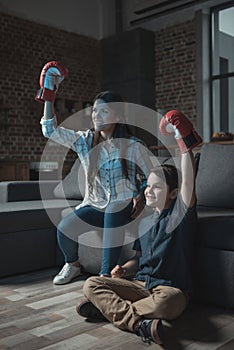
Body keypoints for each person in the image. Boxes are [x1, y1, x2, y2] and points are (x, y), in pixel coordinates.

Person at [76, 110, 202, 345]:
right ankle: (138, 323)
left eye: (157, 188)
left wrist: (185, 145)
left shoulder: (180, 216)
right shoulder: (144, 222)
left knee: (166, 305)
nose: (148, 191)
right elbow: (139, 259)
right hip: (140, 285)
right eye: (148, 187)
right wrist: (124, 269)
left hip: (170, 290)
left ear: (173, 194)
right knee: (92, 283)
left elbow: (187, 183)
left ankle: (109, 310)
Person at [35, 61, 152, 285]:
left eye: (103, 111)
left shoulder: (134, 145)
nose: (96, 115)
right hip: (95, 204)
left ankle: (105, 277)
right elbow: (49, 130)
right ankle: (74, 264)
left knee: (115, 206)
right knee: (65, 227)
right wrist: (49, 94)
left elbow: (152, 178)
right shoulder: (85, 141)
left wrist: (139, 194)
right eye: (94, 110)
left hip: (122, 206)